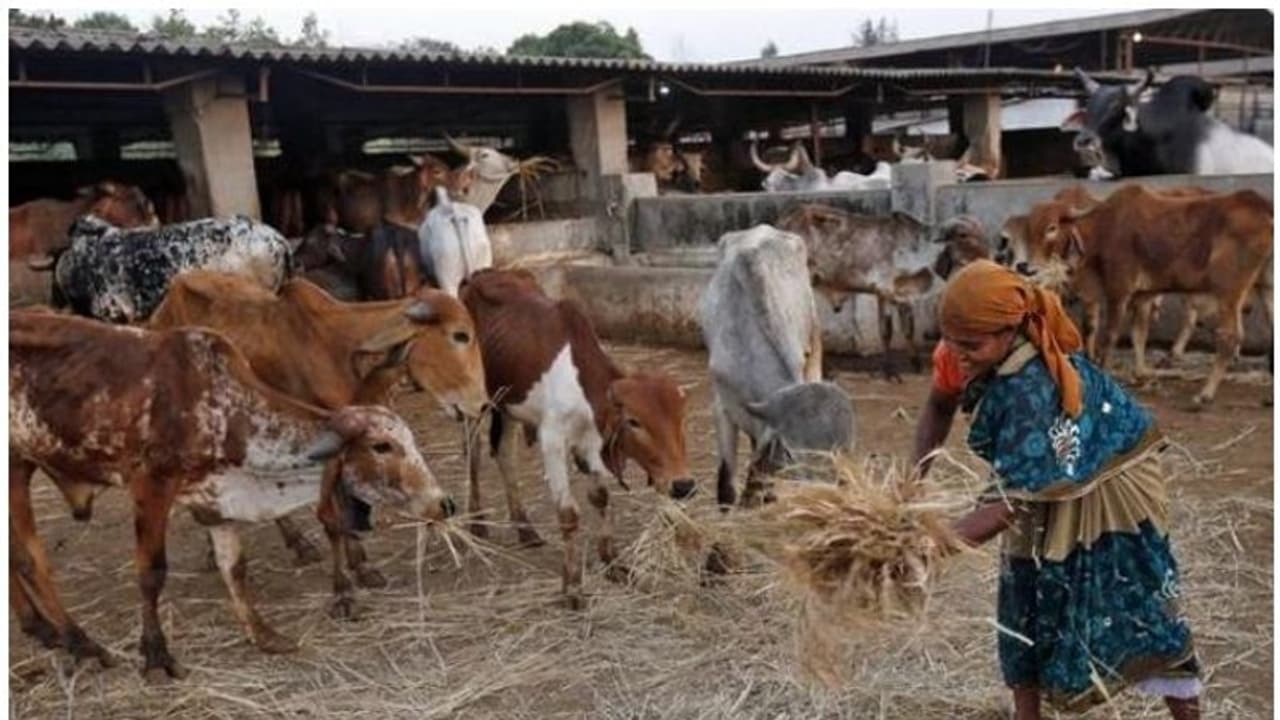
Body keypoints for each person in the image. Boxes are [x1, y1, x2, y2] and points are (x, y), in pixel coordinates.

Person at [927, 260, 1201, 719]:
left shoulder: (1030, 390)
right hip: (1045, 483)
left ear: (1009, 330)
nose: (960, 355)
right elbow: (938, 403)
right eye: (953, 343)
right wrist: (916, 477)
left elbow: (1007, 507)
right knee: (1025, 599)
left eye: (971, 346)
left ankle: (1186, 710)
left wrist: (924, 548)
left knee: (1141, 604)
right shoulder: (964, 345)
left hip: (1114, 488)